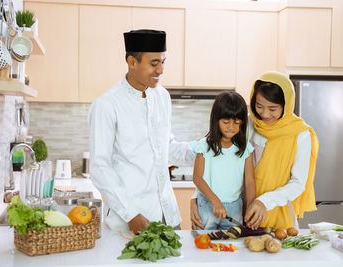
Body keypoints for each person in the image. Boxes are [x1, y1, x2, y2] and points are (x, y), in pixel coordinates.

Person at [88, 29, 194, 235]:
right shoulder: (106, 105)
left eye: (163, 62)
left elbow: (165, 149)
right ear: (132, 62)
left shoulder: (163, 97)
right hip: (132, 220)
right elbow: (100, 168)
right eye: (154, 63)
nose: (161, 70)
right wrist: (130, 215)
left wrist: (207, 149)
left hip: (168, 216)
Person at [190, 71, 319, 230]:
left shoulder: (301, 134)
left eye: (272, 108)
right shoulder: (247, 124)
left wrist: (264, 201)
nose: (264, 114)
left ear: (286, 106)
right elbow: (219, 167)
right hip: (241, 213)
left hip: (278, 214)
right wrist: (197, 198)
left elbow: (298, 184)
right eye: (259, 106)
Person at [191, 91, 255, 230]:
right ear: (216, 120)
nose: (231, 127)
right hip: (208, 204)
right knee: (205, 244)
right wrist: (215, 201)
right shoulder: (204, 146)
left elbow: (250, 181)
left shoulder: (245, 149)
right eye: (226, 122)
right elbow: (197, 178)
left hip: (235, 206)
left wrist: (250, 207)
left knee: (233, 246)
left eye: (237, 122)